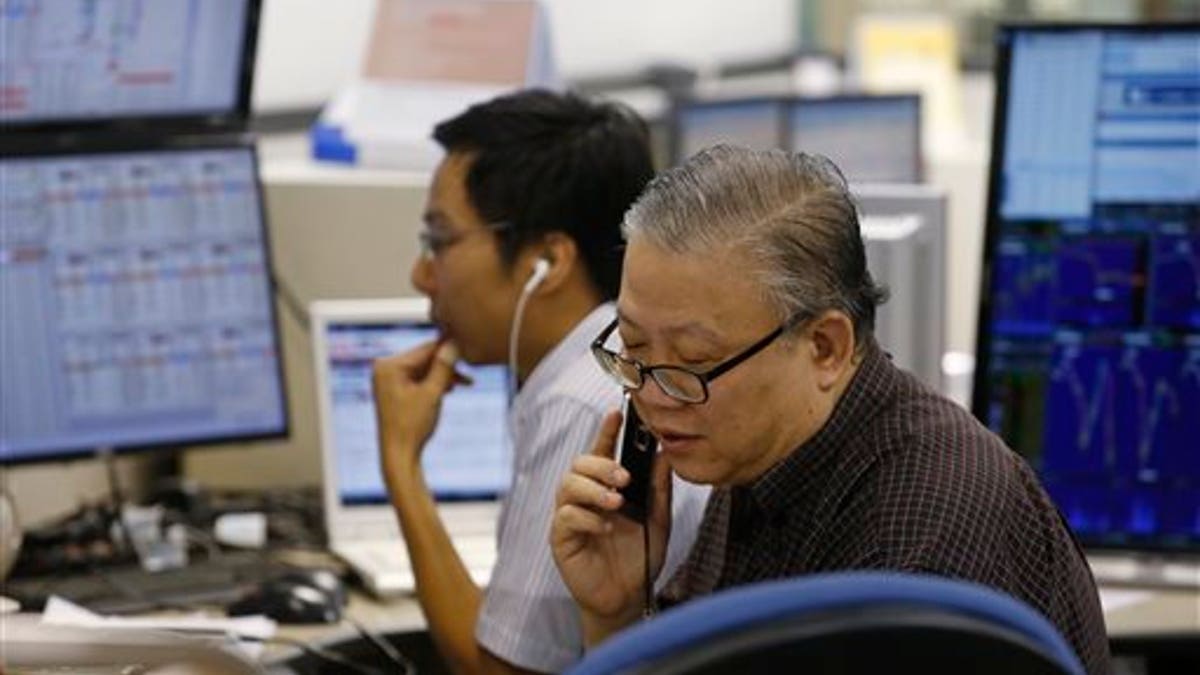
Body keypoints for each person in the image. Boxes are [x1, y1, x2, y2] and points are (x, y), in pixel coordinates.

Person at [550, 145, 1110, 674]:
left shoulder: (923, 536)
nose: (651, 395)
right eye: (633, 347)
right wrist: (616, 617)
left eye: (693, 361)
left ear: (825, 347)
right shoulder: (755, 454)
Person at [370, 89, 709, 675]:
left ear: (546, 263)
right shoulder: (613, 363)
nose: (421, 275)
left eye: (439, 241)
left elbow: (499, 673)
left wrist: (401, 465)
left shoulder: (581, 402)